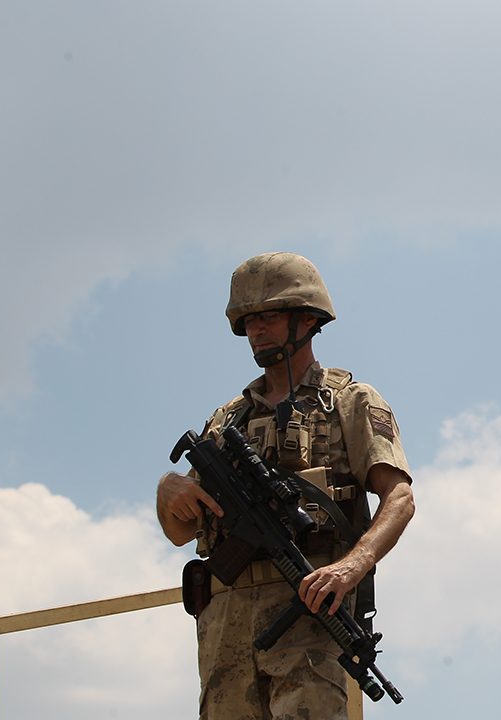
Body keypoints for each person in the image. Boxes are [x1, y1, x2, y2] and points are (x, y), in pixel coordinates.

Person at [155, 252, 415, 719]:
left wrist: (351, 567)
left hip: (309, 612)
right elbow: (180, 532)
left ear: (308, 318)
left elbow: (400, 498)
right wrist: (168, 490)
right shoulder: (228, 419)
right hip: (226, 624)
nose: (256, 329)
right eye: (249, 320)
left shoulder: (349, 402)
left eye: (269, 316)